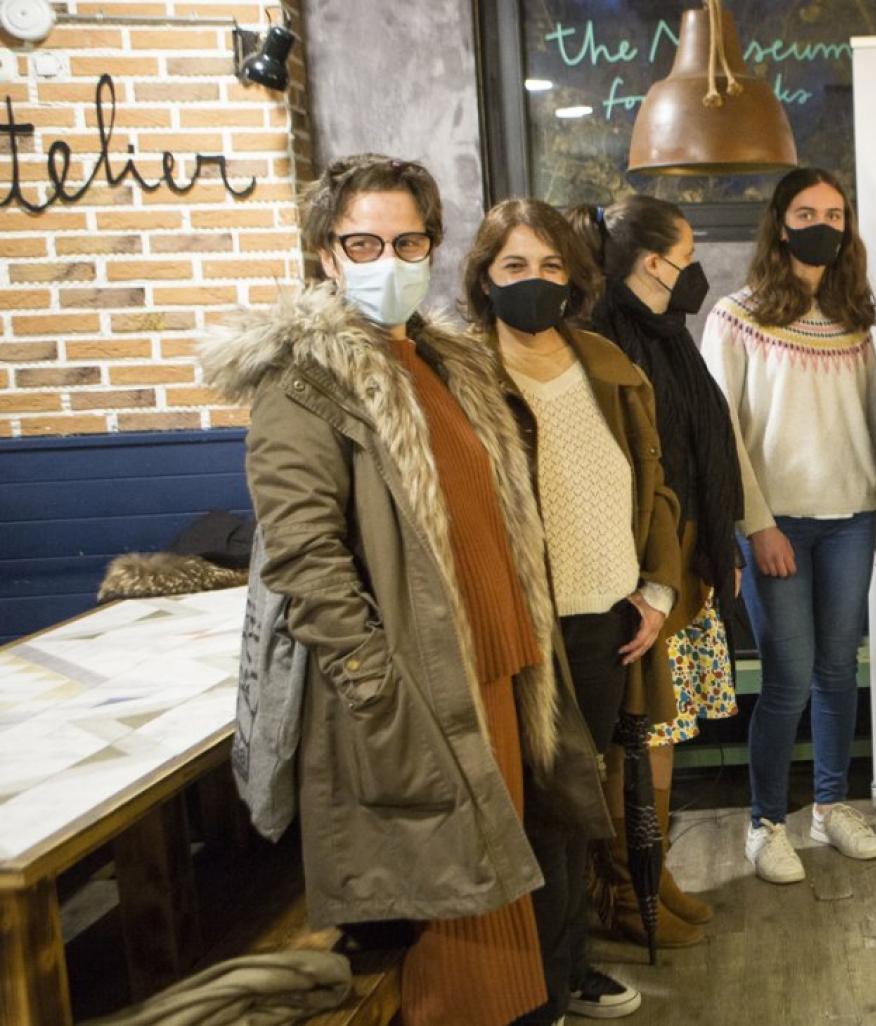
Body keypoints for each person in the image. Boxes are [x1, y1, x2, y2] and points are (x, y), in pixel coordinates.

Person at [201, 154, 607, 1026]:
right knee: (456, 939)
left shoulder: (445, 359)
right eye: (364, 241)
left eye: (408, 239)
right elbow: (306, 562)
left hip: (497, 677)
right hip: (418, 698)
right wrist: (381, 695)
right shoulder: (302, 384)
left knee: (499, 909)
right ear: (326, 253)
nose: (389, 258)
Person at [463, 198, 687, 1022]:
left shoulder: (606, 363)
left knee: (577, 806)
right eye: (515, 267)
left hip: (604, 622)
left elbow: (654, 486)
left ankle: (567, 969)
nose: (535, 281)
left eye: (552, 266)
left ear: (576, 276)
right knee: (527, 814)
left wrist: (657, 590)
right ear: (484, 277)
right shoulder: (463, 371)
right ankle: (532, 987)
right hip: (515, 627)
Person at [704, 167, 876, 884]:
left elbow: (875, 425)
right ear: (780, 222)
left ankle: (829, 806)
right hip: (777, 524)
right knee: (787, 678)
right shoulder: (736, 316)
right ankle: (765, 823)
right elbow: (721, 433)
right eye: (806, 210)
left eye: (835, 211)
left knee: (835, 673)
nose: (823, 221)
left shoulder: (853, 318)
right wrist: (756, 527)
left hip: (850, 520)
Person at [573, 195, 742, 948]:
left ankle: (653, 870)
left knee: (663, 725)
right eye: (687, 253)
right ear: (651, 263)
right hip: (638, 568)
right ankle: (620, 885)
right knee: (632, 728)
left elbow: (704, 440)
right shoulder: (601, 336)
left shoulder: (667, 332)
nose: (695, 267)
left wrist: (714, 545)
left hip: (682, 559)